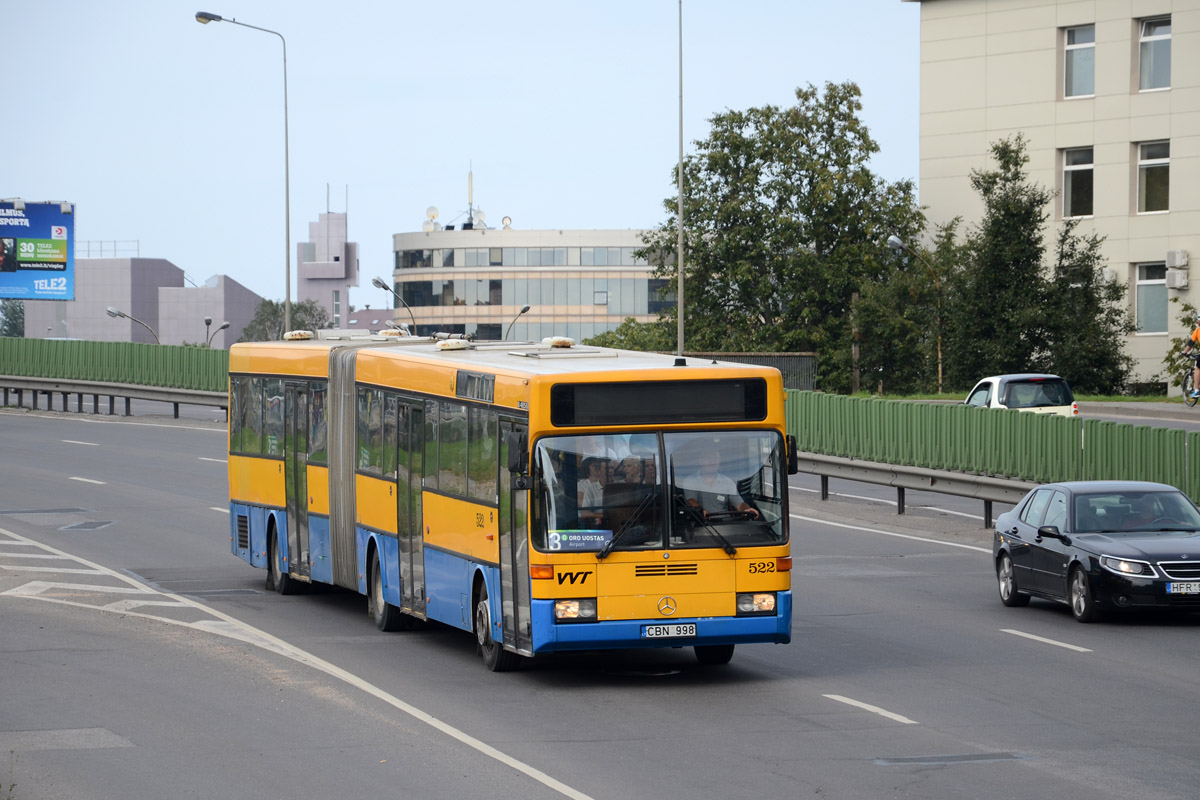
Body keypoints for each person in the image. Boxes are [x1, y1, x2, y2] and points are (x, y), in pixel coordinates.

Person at [677, 447, 758, 519]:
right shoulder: (690, 480)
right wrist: (699, 511)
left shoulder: (727, 481)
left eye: (715, 458)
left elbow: (740, 504)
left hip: (726, 526)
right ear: (700, 461)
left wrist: (746, 509)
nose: (712, 462)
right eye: (708, 458)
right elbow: (690, 501)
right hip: (701, 524)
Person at [577, 457, 605, 523]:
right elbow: (581, 502)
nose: (596, 467)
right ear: (587, 467)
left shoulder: (604, 482)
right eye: (594, 465)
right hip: (588, 518)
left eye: (598, 465)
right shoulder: (582, 484)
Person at [1186, 312, 1200, 398]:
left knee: (1197, 368)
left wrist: (1184, 352)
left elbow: (1190, 345)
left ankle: (1196, 390)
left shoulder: (1197, 331)